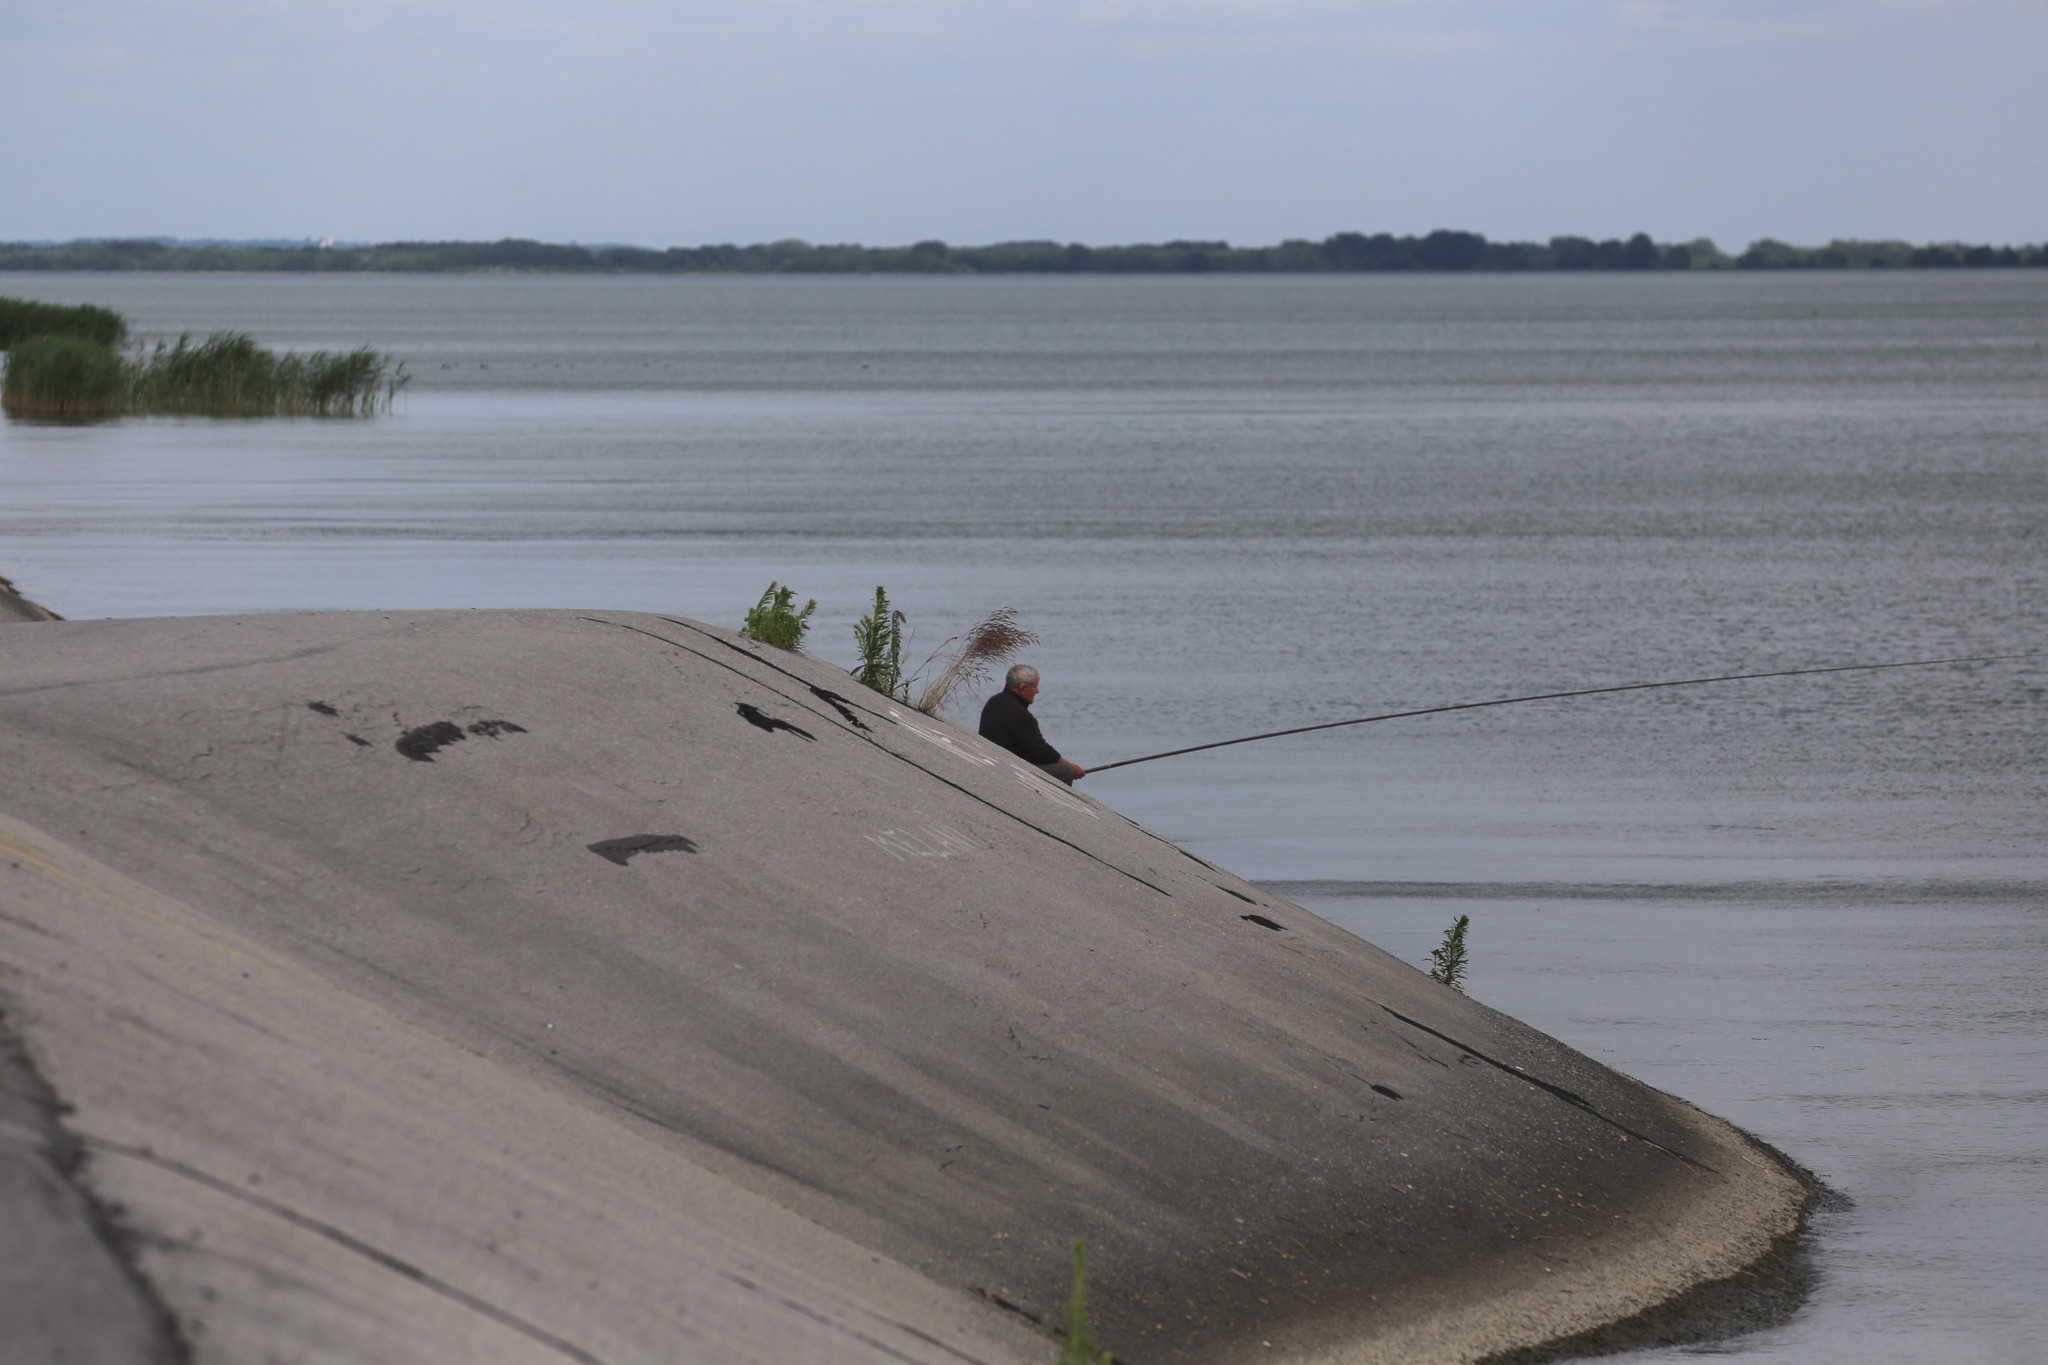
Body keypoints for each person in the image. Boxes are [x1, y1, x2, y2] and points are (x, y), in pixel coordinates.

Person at [979, 664, 1085, 784]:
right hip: (1008, 769)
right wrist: (1071, 767)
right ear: (1023, 688)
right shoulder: (1020, 714)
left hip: (991, 760)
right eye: (1035, 686)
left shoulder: (993, 702)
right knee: (1064, 772)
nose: (1037, 691)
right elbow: (1040, 751)